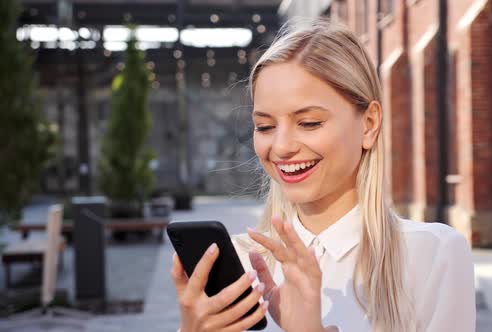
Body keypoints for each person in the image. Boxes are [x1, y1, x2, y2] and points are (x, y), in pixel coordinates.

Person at [171, 18, 475, 332]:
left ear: (369, 124)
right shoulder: (239, 264)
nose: (282, 146)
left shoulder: (431, 254)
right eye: (265, 126)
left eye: (309, 123)